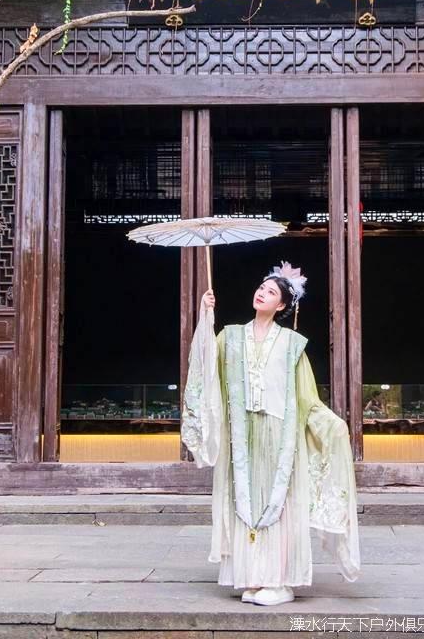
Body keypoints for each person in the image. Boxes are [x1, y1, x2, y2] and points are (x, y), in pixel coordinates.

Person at [181, 260, 360, 606]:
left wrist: (331, 424)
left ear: (281, 305)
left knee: (280, 505)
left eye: (271, 292)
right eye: (261, 287)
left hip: (280, 436)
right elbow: (204, 366)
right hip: (242, 434)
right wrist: (206, 318)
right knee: (245, 502)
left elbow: (306, 397)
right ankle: (253, 577)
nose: (262, 293)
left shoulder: (292, 344)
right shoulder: (230, 336)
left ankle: (280, 582)